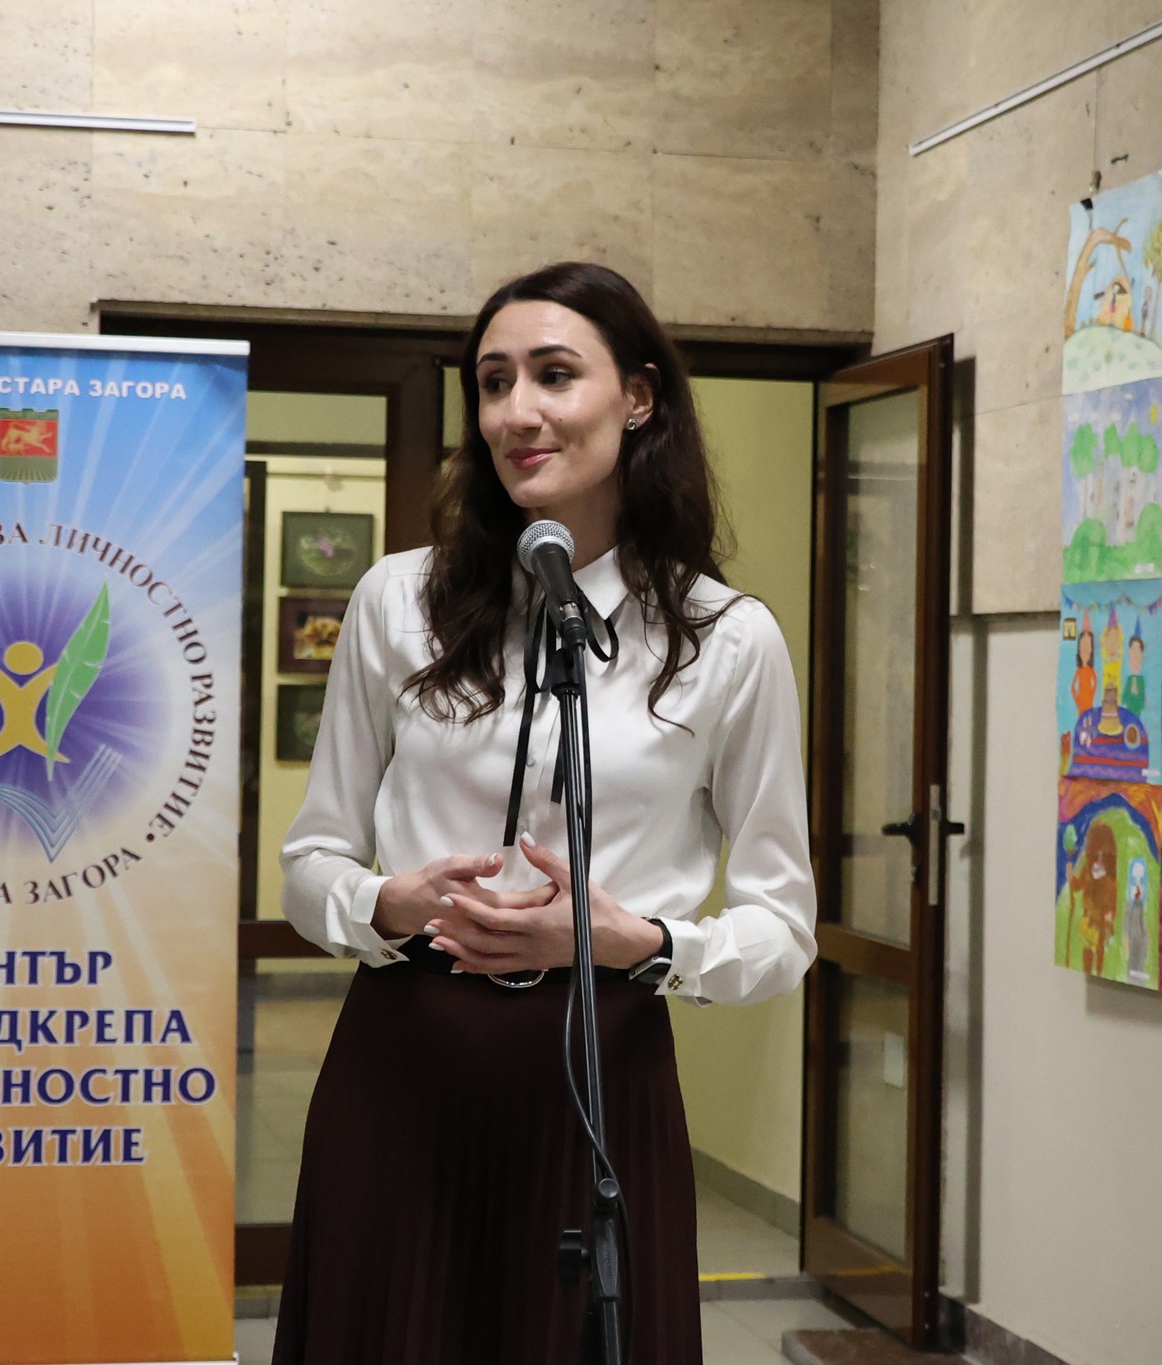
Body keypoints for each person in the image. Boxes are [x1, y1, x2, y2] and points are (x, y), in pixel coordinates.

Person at [273, 262, 817, 1364]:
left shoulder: (726, 640)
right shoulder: (398, 601)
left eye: (554, 375)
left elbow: (782, 928)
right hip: (404, 1062)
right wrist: (384, 903)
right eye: (492, 382)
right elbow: (311, 860)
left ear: (639, 397)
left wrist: (641, 942)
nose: (516, 412)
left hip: (601, 1073)